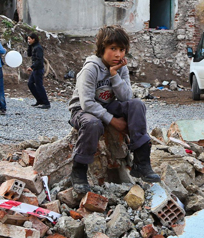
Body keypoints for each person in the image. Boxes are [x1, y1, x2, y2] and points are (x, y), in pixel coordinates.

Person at [67, 25, 159, 194]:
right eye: (113, 49)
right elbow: (87, 103)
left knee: (137, 105)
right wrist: (112, 120)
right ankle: (79, 170)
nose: (118, 54)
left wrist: (115, 75)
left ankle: (141, 161)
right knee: (93, 124)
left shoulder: (121, 67)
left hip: (107, 105)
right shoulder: (90, 68)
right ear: (102, 48)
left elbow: (126, 98)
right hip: (82, 110)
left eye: (122, 49)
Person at [26, 32, 51, 109]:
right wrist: (29, 46)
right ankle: (39, 100)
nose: (28, 40)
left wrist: (32, 67)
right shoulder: (34, 47)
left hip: (38, 69)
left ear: (34, 39)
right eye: (28, 39)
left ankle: (46, 103)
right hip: (35, 69)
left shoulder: (38, 48)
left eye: (29, 39)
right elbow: (29, 54)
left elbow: (39, 60)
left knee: (39, 85)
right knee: (30, 84)